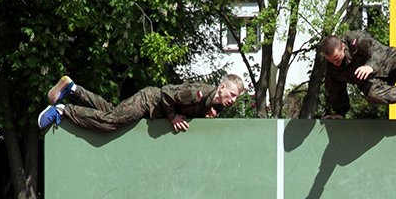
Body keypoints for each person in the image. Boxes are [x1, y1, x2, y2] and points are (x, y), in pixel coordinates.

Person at [37, 74, 245, 132]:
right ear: (222, 88)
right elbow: (166, 94)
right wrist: (172, 117)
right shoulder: (197, 93)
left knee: (110, 110)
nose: (233, 100)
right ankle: (63, 110)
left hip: (151, 108)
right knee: (111, 122)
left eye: (237, 98)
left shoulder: (213, 105)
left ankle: (72, 88)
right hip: (148, 101)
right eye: (233, 94)